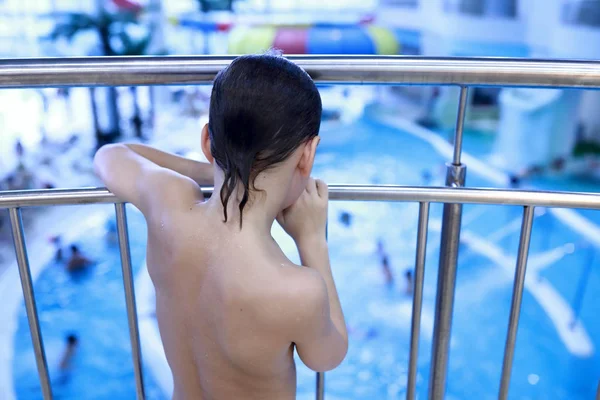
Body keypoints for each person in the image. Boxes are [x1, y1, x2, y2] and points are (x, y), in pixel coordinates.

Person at [94, 53, 348, 400]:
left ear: (207, 142)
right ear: (307, 156)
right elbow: (327, 357)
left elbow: (112, 154)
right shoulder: (297, 290)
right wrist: (312, 241)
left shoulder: (168, 203)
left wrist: (223, 170)